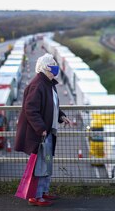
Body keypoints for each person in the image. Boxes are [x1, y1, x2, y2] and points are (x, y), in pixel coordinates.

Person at [15, 53, 72, 207]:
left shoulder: (48, 83)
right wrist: (41, 129)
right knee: (40, 166)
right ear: (45, 67)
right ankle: (35, 196)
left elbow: (52, 106)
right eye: (52, 63)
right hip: (40, 134)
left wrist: (61, 117)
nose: (55, 66)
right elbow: (30, 109)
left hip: (48, 132)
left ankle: (43, 192)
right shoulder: (37, 84)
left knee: (46, 164)